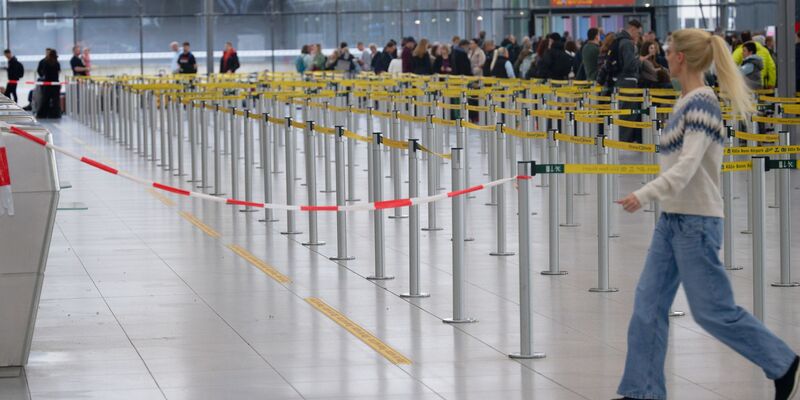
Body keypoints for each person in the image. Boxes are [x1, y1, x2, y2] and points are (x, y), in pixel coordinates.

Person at [613, 28, 800, 400]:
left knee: (713, 311)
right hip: (673, 220)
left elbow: (686, 167)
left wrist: (644, 194)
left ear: (681, 57)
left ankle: (782, 361)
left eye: (668, 51)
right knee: (647, 305)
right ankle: (642, 391)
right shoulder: (685, 101)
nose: (664, 56)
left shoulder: (701, 103)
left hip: (696, 223)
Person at [613, 20, 644, 143]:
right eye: (638, 33)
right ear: (632, 29)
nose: (638, 36)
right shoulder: (627, 43)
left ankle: (623, 140)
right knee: (628, 113)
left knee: (624, 112)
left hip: (620, 81)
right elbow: (629, 65)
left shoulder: (618, 41)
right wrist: (639, 60)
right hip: (628, 82)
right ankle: (624, 142)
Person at [36, 49, 61, 119]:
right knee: (55, 100)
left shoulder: (45, 62)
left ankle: (42, 115)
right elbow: (58, 72)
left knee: (45, 100)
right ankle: (55, 114)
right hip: (55, 83)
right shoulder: (57, 63)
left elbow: (43, 72)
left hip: (47, 83)